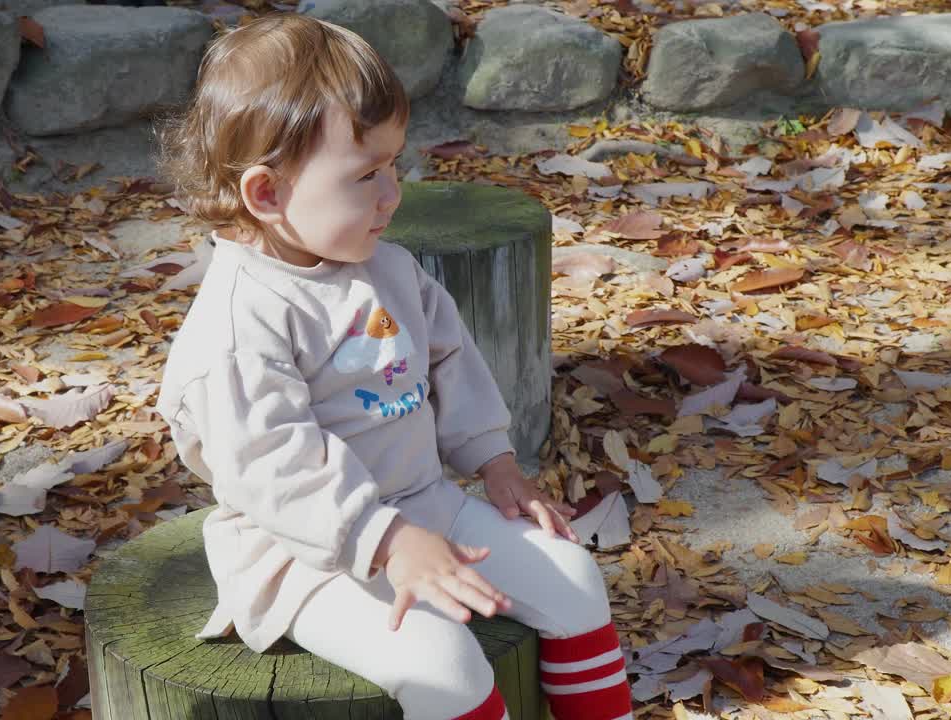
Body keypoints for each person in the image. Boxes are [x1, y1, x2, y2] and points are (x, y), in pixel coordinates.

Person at [154, 13, 633, 720]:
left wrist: (495, 460)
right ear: (267, 194)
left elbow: (448, 359)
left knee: (573, 577)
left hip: (420, 504)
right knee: (444, 668)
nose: (392, 194)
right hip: (302, 556)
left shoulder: (388, 269)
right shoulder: (239, 322)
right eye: (365, 175)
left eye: (394, 165)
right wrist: (383, 539)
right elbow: (270, 464)